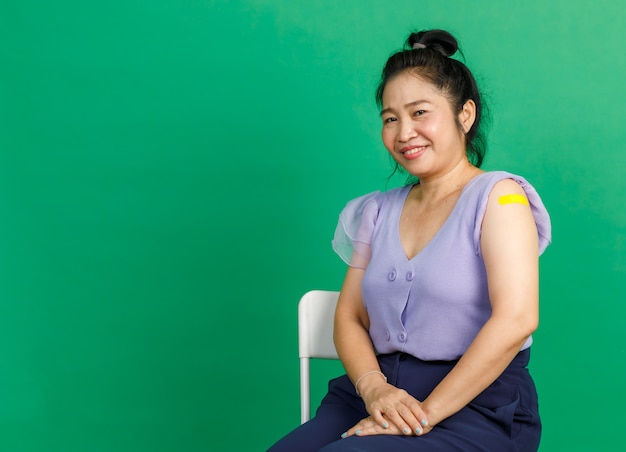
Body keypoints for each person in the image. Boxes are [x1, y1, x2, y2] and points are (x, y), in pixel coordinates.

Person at [268, 29, 551, 452]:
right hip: (374, 396)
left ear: (466, 114)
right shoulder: (376, 211)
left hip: (472, 405)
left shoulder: (500, 198)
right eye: (390, 118)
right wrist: (373, 389)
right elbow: (349, 316)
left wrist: (424, 415)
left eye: (420, 112)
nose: (404, 133)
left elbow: (517, 319)